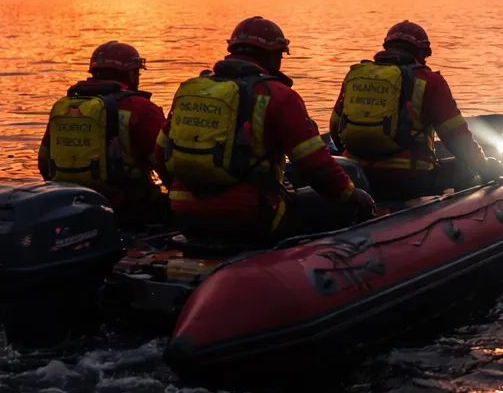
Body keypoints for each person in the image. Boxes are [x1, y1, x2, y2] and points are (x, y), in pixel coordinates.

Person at [157, 17, 375, 248]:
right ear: (272, 55)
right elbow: (316, 167)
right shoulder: (278, 95)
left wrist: (195, 198)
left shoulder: (191, 92)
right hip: (250, 220)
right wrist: (352, 195)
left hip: (185, 217)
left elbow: (160, 156)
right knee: (344, 203)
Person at [330, 21, 503, 200]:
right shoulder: (429, 81)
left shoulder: (356, 76)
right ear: (421, 52)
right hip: (410, 178)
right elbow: (457, 138)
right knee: (464, 168)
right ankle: (466, 211)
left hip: (357, 175)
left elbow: (335, 127)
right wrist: (485, 166)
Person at [39, 41, 166, 227]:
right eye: (137, 72)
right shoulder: (141, 108)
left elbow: (44, 161)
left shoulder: (65, 106)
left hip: (70, 204)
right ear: (131, 73)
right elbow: (163, 161)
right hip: (127, 208)